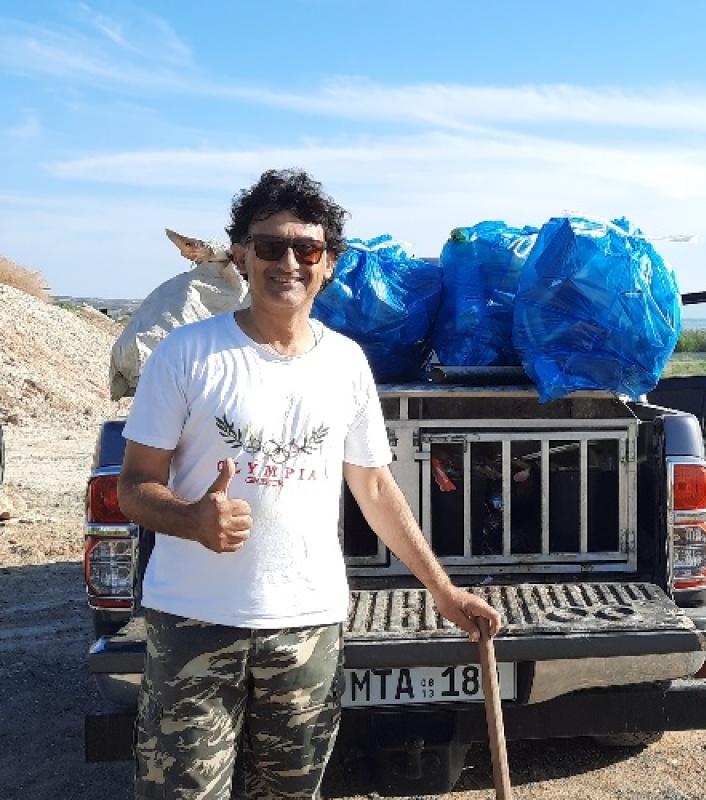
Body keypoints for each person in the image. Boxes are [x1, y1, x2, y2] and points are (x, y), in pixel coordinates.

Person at [117, 168, 502, 799]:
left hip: (308, 626)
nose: (287, 261)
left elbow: (375, 488)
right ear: (241, 256)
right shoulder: (185, 355)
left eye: (306, 248)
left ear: (328, 264)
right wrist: (191, 519)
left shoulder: (347, 363)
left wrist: (443, 589)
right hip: (194, 622)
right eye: (269, 246)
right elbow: (134, 486)